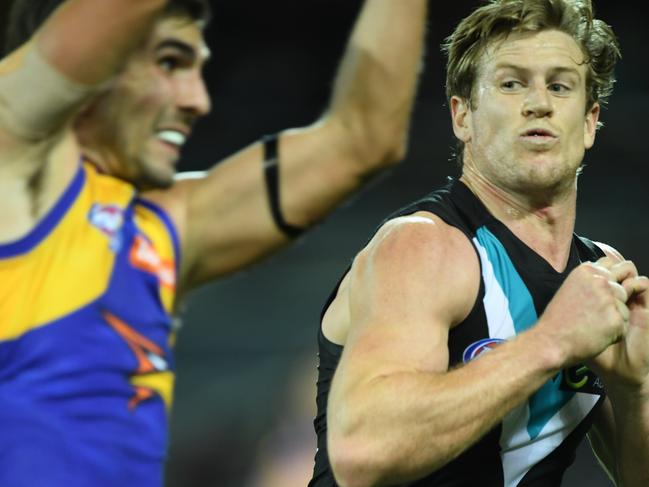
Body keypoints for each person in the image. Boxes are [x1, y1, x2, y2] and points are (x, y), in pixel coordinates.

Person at [0, 0, 428, 485]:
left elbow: (362, 140)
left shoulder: (160, 227)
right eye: (169, 63)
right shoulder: (9, 161)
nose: (197, 99)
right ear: (94, 62)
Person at [310, 0, 649, 486]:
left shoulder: (599, 273)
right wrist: (552, 341)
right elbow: (363, 453)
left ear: (591, 121)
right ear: (462, 116)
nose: (539, 103)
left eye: (560, 85)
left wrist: (635, 388)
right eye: (512, 83)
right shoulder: (422, 249)